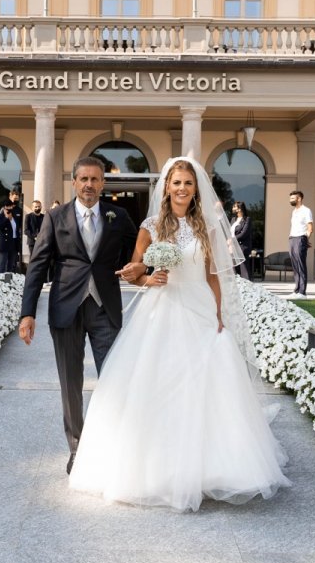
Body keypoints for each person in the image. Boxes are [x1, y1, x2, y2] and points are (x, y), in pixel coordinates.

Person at [69, 157, 290, 512]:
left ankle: (215, 467)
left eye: (188, 183)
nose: (183, 189)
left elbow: (214, 275)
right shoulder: (151, 225)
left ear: (195, 189)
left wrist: (219, 314)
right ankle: (161, 468)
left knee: (209, 384)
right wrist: (147, 277)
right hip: (163, 310)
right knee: (161, 382)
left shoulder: (207, 226)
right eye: (177, 183)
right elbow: (134, 271)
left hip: (200, 308)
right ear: (166, 187)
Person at [18, 157, 138, 475]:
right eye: (83, 178)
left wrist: (143, 270)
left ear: (103, 183)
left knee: (113, 378)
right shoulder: (56, 217)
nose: (89, 184)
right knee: (70, 383)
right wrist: (27, 313)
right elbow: (38, 265)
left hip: (105, 308)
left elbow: (137, 257)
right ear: (73, 182)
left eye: (95, 179)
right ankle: (77, 449)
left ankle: (114, 444)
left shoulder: (119, 216)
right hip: (65, 309)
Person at [287, 190, 313, 300]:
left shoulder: (306, 211)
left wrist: (305, 240)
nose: (290, 200)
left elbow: (310, 228)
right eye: (290, 198)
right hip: (292, 238)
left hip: (301, 238)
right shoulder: (294, 211)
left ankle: (302, 292)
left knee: (301, 265)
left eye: (293, 198)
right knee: (295, 265)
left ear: (299, 198)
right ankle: (297, 290)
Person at [0, 200, 20, 273]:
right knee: (2, 265)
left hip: (13, 243)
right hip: (5, 243)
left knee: (11, 265)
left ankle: (9, 282)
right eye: (7, 207)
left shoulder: (14, 216)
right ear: (4, 208)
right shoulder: (0, 216)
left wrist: (11, 218)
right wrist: (6, 218)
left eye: (10, 206)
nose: (9, 209)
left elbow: (16, 229)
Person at [231, 200, 252, 279]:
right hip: (232, 248)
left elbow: (244, 233)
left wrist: (232, 239)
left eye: (235, 206)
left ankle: (248, 288)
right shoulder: (233, 219)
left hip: (242, 247)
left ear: (240, 209)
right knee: (234, 269)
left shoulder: (247, 219)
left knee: (244, 270)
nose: (233, 208)